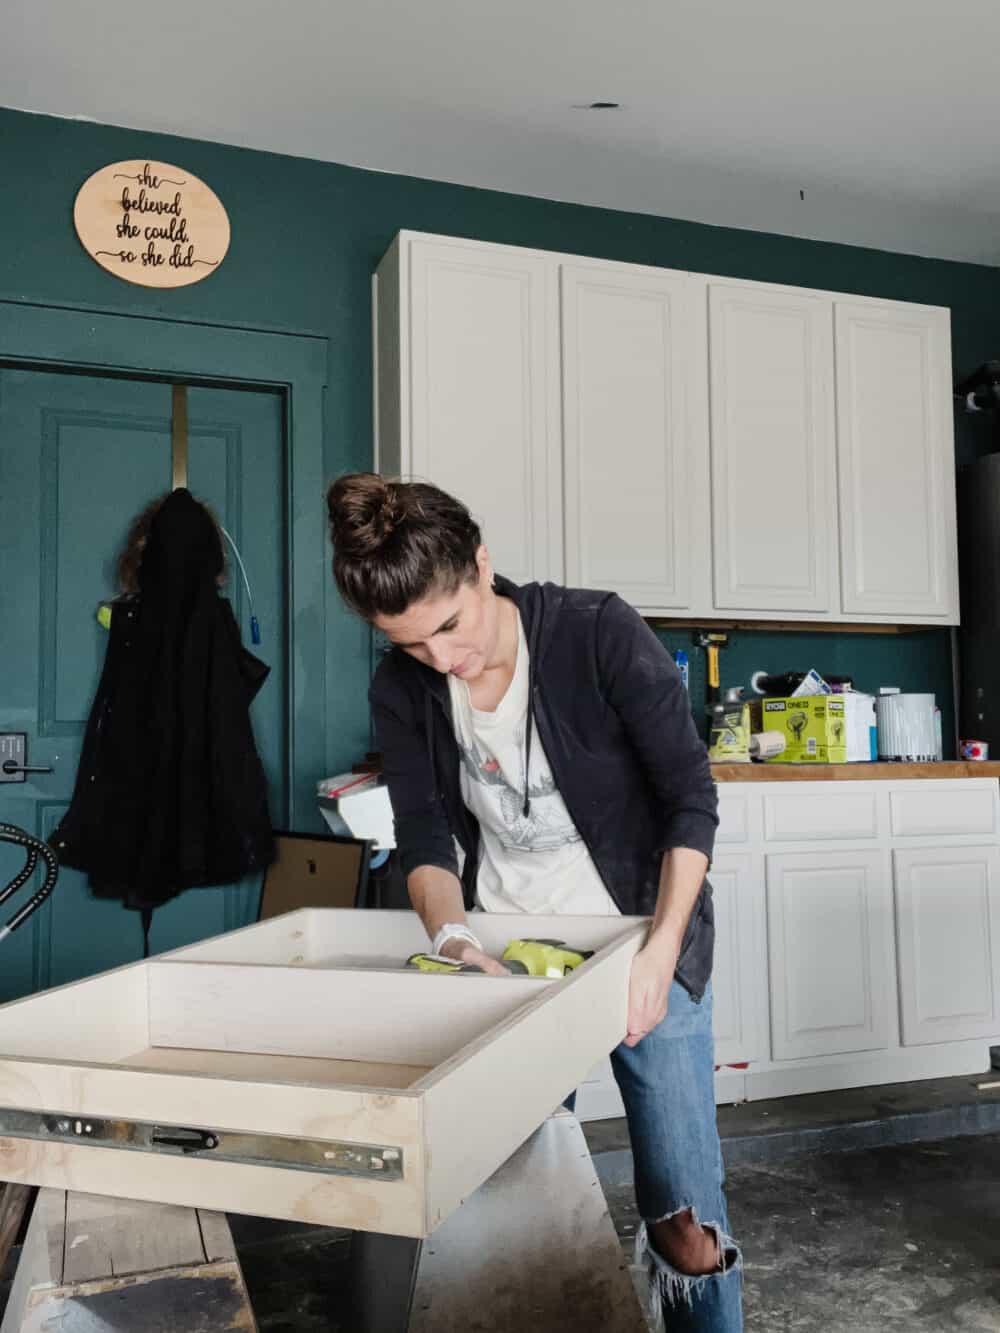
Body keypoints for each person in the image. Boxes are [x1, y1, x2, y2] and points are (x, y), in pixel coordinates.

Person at [326, 473, 742, 1331]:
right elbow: (426, 836)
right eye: (409, 644)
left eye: (449, 625)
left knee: (686, 1220)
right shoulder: (404, 689)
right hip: (505, 956)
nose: (442, 658)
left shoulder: (596, 633)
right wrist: (452, 941)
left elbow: (690, 802)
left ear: (483, 566)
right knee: (508, 1199)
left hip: (641, 937)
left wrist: (660, 955)